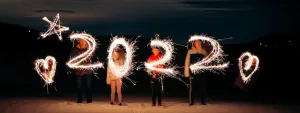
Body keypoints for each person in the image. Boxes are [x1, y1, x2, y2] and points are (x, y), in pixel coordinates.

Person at [184, 40, 208, 105]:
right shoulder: (190, 51)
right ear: (194, 43)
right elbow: (187, 62)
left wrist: (205, 70)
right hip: (193, 73)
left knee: (202, 87)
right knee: (192, 88)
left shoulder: (203, 51)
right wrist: (187, 73)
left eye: (199, 42)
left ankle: (203, 101)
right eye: (196, 42)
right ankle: (191, 101)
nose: (198, 43)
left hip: (201, 73)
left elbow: (206, 62)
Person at [70, 39, 93, 103]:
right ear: (79, 42)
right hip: (79, 70)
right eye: (82, 41)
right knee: (79, 85)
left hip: (87, 70)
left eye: (85, 41)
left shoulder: (89, 49)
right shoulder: (75, 49)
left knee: (88, 85)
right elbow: (72, 58)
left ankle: (89, 100)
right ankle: (79, 99)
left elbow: (90, 57)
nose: (84, 42)